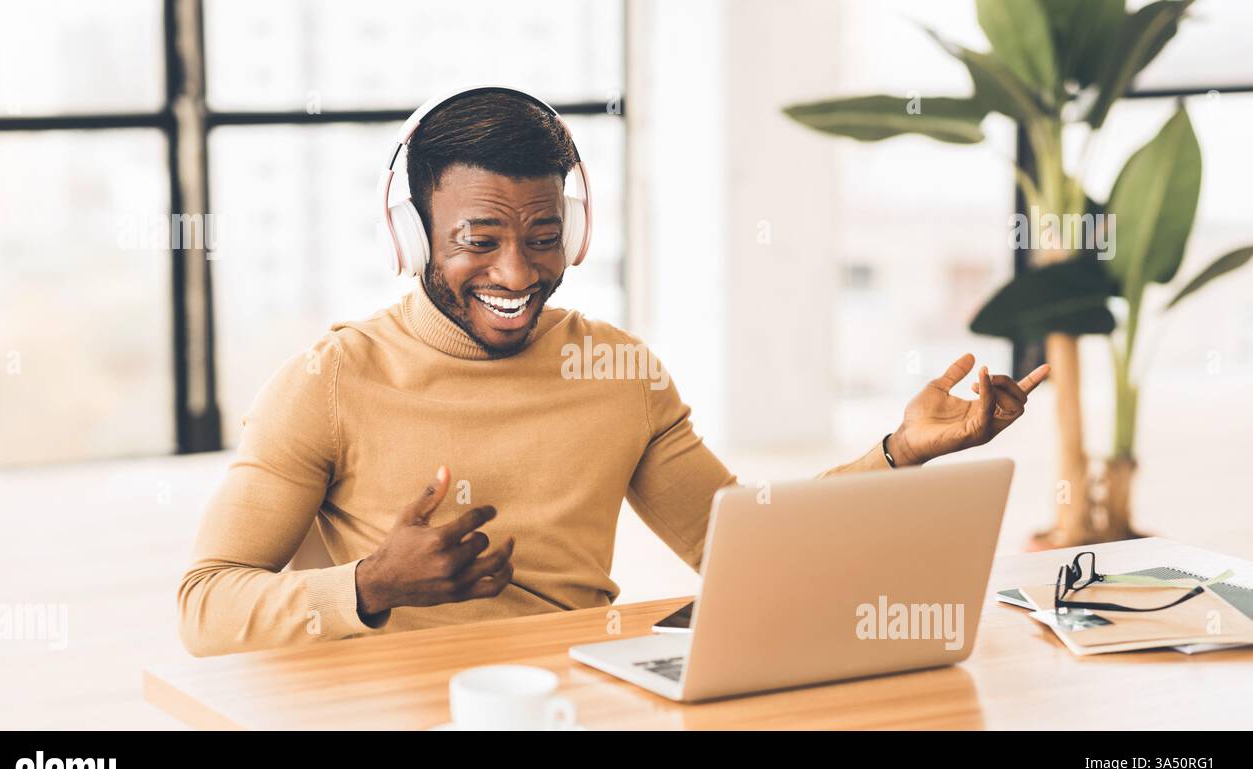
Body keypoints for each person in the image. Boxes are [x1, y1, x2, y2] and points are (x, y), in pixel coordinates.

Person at [177, 88, 1048, 656]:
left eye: (545, 236)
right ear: (412, 238)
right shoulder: (326, 380)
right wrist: (368, 586)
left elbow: (739, 540)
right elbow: (204, 605)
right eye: (480, 241)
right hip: (390, 708)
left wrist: (899, 451)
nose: (517, 274)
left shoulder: (619, 371)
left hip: (575, 702)